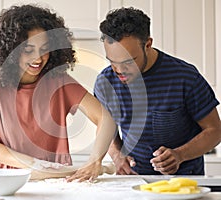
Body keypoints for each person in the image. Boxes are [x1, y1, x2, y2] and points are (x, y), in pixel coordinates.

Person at [0, 4, 116, 181]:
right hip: (5, 177)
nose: (39, 59)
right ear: (10, 50)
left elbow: (106, 119)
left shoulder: (58, 82)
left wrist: (95, 160)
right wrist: (31, 163)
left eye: (44, 49)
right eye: (28, 50)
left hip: (52, 179)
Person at [93, 7, 221, 175]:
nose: (119, 70)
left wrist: (180, 155)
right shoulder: (106, 82)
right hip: (134, 181)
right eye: (112, 62)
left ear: (148, 44)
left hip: (184, 183)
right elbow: (105, 128)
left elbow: (215, 131)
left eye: (128, 62)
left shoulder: (186, 77)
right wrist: (117, 155)